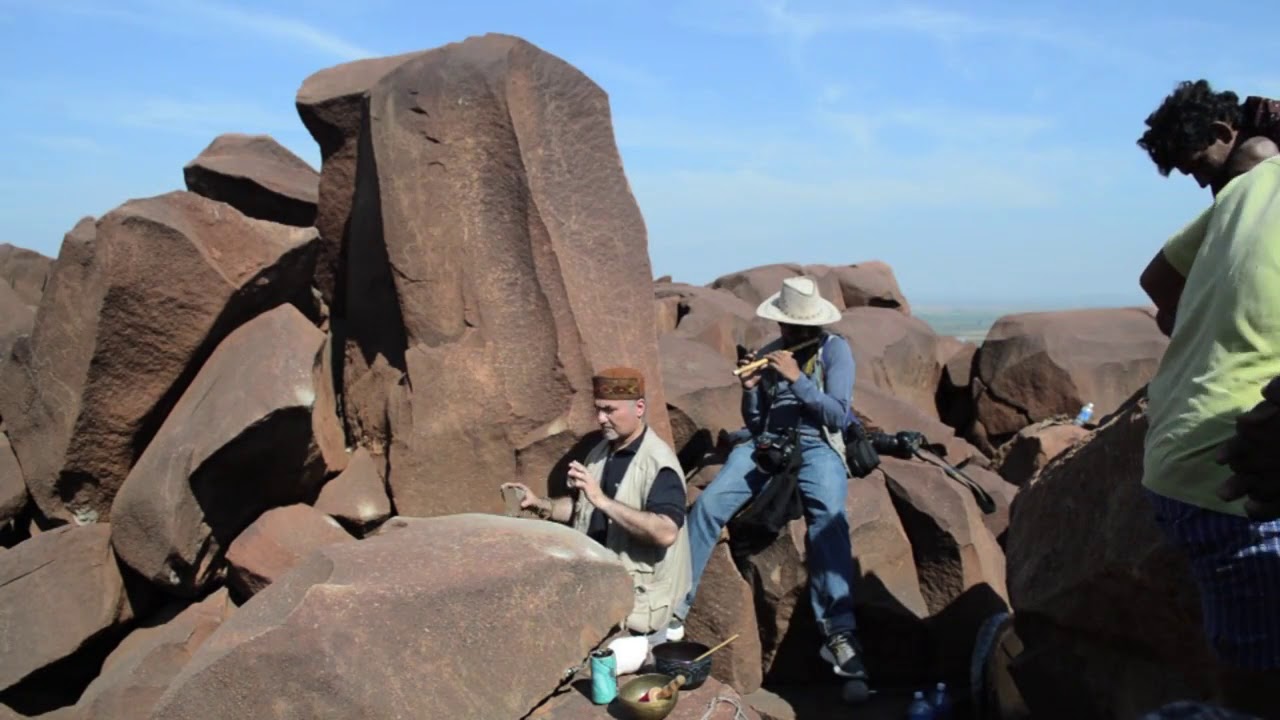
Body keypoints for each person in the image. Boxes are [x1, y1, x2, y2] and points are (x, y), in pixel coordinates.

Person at [667, 275, 868, 682]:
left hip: (817, 445)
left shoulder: (835, 351)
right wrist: (751, 389)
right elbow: (756, 422)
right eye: (787, 326)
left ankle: (838, 632)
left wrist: (798, 379)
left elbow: (835, 413)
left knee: (829, 518)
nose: (790, 333)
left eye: (798, 328)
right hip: (767, 444)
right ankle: (673, 609)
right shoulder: (774, 352)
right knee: (707, 507)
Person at [1141, 143, 1280, 719]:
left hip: (1181, 451)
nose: (1201, 180)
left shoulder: (1254, 183)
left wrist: (1208, 330)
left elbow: (1156, 279)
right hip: (1245, 474)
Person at [500, 367, 692, 646]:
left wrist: (601, 499)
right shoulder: (601, 452)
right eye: (598, 410)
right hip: (600, 593)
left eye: (610, 410)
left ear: (639, 408)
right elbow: (582, 511)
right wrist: (540, 505)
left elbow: (665, 532)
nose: (601, 419)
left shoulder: (659, 464)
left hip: (640, 613)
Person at [1137, 81, 1280, 334]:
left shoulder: (1262, 146)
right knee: (1167, 315)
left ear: (1222, 133)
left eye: (1201, 165)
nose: (1202, 182)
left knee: (1256, 153)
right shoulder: (1225, 179)